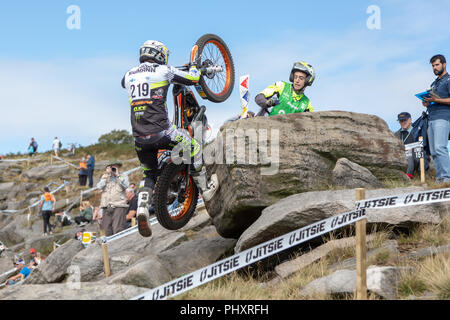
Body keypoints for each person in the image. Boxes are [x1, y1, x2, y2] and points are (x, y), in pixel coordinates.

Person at [121, 40, 219, 237]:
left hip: (140, 139)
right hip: (163, 133)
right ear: (159, 55)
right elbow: (193, 78)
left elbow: (123, 83)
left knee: (149, 175)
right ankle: (206, 189)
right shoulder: (164, 71)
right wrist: (193, 68)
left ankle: (142, 209)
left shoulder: (129, 74)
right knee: (195, 148)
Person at [422, 54, 450, 183]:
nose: (435, 67)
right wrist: (428, 102)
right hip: (432, 117)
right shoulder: (434, 83)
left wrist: (437, 99)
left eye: (437, 65)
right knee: (433, 151)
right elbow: (435, 100)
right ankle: (439, 179)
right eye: (433, 66)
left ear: (444, 64)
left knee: (440, 147)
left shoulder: (448, 80)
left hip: (443, 117)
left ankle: (447, 178)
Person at [96, 160, 129, 236]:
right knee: (106, 229)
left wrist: (118, 175)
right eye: (112, 167)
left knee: (118, 228)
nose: (113, 168)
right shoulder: (105, 177)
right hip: (106, 206)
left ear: (118, 167)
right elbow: (99, 187)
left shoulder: (123, 175)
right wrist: (105, 178)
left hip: (119, 205)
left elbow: (126, 185)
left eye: (115, 166)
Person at [395, 112, 430, 179]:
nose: (402, 122)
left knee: (410, 153)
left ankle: (409, 176)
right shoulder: (396, 134)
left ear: (410, 120)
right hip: (402, 157)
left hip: (417, 156)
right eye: (401, 121)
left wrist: (412, 149)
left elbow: (424, 146)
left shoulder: (419, 131)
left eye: (404, 120)